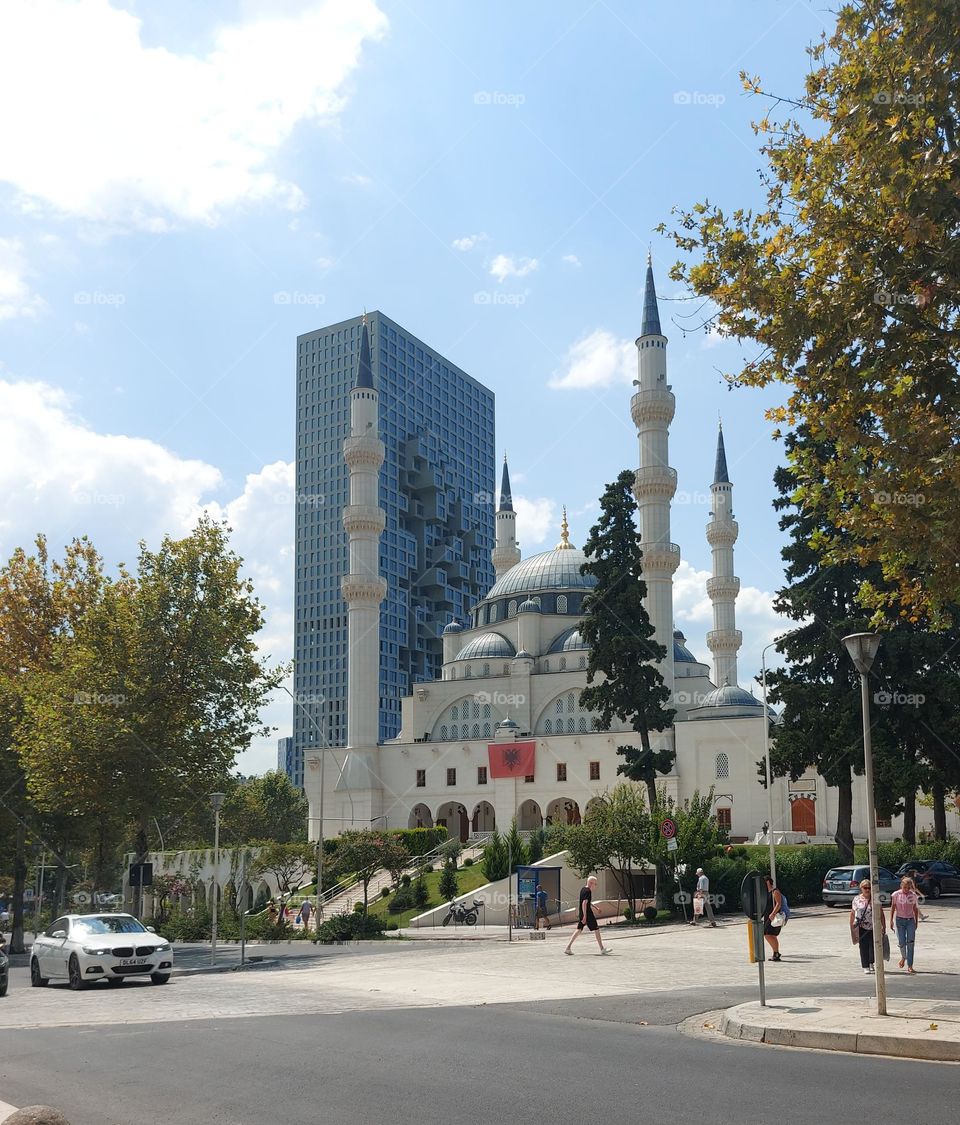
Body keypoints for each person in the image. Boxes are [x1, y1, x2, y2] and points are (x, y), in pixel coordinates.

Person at [564, 875, 609, 955]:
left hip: (583, 912)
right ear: (591, 883)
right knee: (596, 929)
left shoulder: (583, 889)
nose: (596, 886)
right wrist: (585, 916)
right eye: (595, 884)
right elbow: (584, 903)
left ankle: (568, 948)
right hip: (587, 914)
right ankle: (602, 949)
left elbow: (587, 902)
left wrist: (596, 908)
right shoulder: (588, 891)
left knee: (579, 929)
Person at [850, 879, 886, 974]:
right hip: (861, 926)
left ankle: (871, 962)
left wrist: (884, 926)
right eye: (865, 888)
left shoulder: (875, 898)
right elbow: (853, 913)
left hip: (874, 925)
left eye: (869, 888)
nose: (867, 890)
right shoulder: (856, 899)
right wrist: (852, 926)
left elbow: (881, 912)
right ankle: (865, 965)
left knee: (874, 946)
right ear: (861, 888)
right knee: (863, 946)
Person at [890, 876, 921, 973]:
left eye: (908, 888)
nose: (907, 890)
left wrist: (916, 921)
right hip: (899, 920)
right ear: (901, 886)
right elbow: (893, 907)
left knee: (910, 943)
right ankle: (904, 957)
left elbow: (915, 909)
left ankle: (910, 965)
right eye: (905, 887)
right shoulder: (896, 894)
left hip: (910, 920)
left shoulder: (913, 895)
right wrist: (890, 920)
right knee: (902, 942)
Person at [763, 875, 784, 962]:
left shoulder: (775, 891)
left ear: (768, 882)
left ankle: (776, 953)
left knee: (768, 934)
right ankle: (776, 953)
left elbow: (779, 904)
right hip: (767, 916)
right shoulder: (765, 893)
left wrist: (773, 913)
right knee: (770, 935)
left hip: (773, 916)